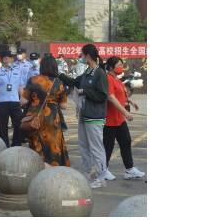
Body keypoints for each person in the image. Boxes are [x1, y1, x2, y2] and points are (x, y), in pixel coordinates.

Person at [58, 44, 109, 189]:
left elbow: (102, 95)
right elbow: (74, 82)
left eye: (82, 55)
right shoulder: (88, 72)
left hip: (95, 117)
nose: (80, 57)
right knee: (84, 146)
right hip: (84, 115)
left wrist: (84, 91)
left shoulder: (99, 73)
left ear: (88, 56)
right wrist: (60, 74)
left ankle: (101, 177)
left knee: (96, 148)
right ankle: (86, 173)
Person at [20, 56, 70, 168]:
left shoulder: (33, 80)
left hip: (35, 118)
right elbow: (64, 105)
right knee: (53, 145)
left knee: (38, 144)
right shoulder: (59, 83)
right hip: (52, 119)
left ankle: (40, 172)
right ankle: (52, 171)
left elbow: (23, 100)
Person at [100, 56, 145, 181]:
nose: (121, 67)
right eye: (119, 65)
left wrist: (129, 100)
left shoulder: (116, 79)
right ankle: (103, 171)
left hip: (119, 119)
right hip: (110, 119)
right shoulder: (108, 78)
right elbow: (111, 98)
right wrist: (126, 112)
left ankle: (129, 169)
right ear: (111, 67)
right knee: (108, 146)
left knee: (126, 142)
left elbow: (120, 94)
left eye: (121, 65)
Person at [0, 50, 24, 148]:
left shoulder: (17, 72)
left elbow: (20, 86)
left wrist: (22, 98)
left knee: (19, 124)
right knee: (3, 126)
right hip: (2, 102)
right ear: (4, 60)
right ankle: (4, 146)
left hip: (15, 102)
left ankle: (16, 144)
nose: (13, 59)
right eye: (10, 58)